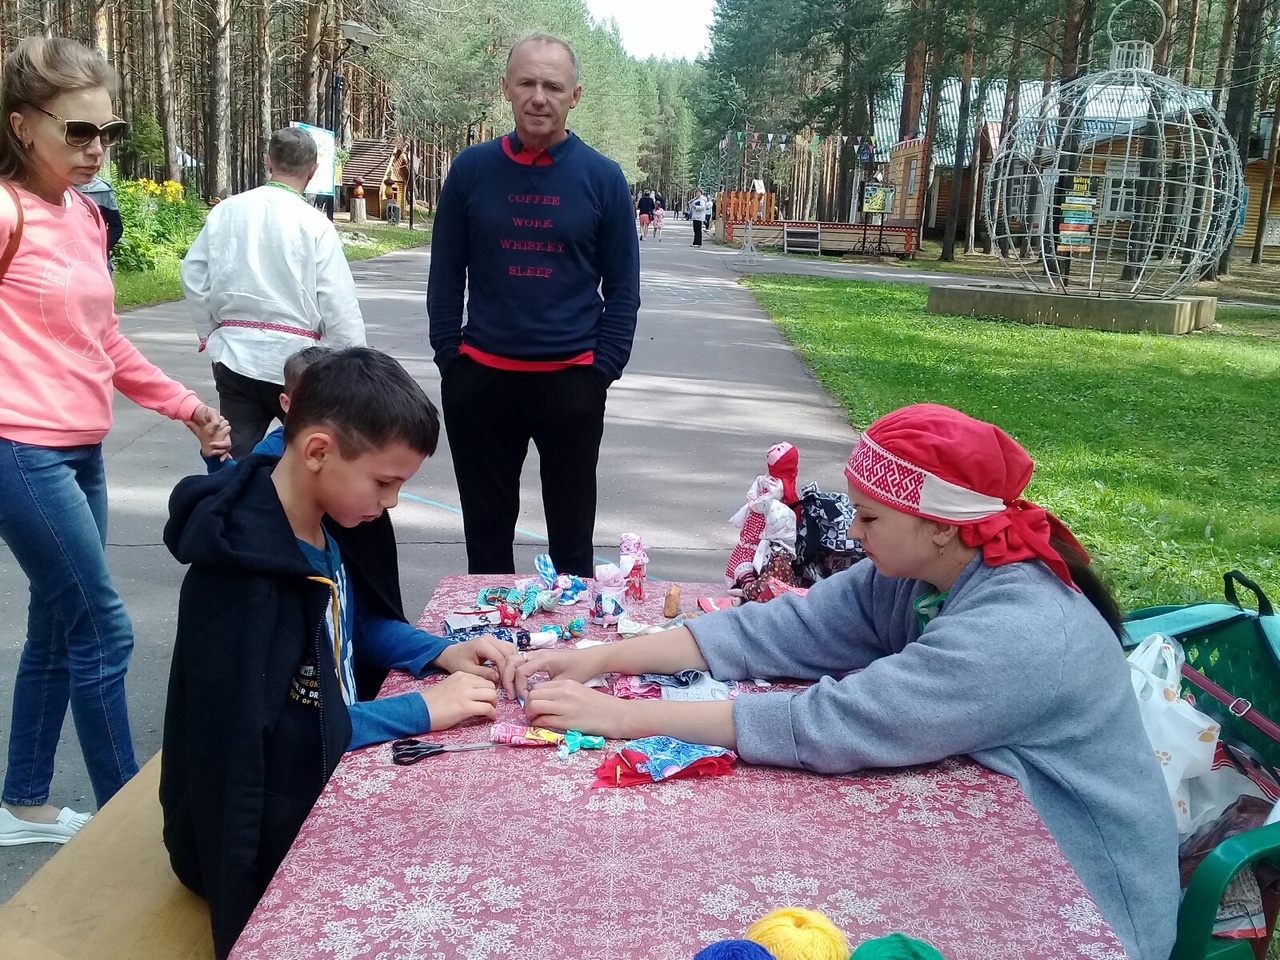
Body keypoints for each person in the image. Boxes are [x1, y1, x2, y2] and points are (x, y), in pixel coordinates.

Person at [504, 403, 1180, 960]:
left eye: (871, 517)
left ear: (943, 528)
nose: (852, 532)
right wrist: (604, 658)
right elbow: (784, 630)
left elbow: (832, 722)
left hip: (1088, 904)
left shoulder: (1022, 632)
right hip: (1008, 844)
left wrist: (624, 718)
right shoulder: (925, 572)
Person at [160, 347, 508, 959]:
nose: (392, 503)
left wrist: (438, 652)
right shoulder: (247, 579)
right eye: (385, 483)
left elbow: (347, 623)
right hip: (247, 828)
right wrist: (422, 712)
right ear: (318, 450)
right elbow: (275, 741)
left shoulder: (311, 523)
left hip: (316, 767)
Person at [0, 36, 226, 845]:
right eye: (78, 132)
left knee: (61, 623)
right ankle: (130, 827)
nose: (97, 149)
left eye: (110, 132)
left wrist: (186, 407)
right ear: (24, 126)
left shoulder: (87, 216)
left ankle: (23, 801)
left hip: (79, 450)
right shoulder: (8, 212)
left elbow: (106, 344)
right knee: (104, 626)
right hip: (18, 453)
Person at [427, 32, 640, 577]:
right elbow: (446, 274)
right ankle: (490, 652)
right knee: (487, 535)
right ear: (506, 89)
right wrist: (451, 358)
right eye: (526, 83)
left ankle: (573, 653)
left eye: (552, 85)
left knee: (573, 540)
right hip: (481, 379)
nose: (538, 96)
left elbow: (622, 288)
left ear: (575, 96)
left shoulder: (602, 179)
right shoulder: (471, 170)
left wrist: (602, 369)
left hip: (571, 381)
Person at [181, 126, 365, 461]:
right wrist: (351, 365)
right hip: (297, 367)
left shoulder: (226, 210)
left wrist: (211, 333)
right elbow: (338, 300)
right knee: (311, 458)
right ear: (313, 170)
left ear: (269, 162)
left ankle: (231, 508)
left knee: (235, 457)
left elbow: (193, 273)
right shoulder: (315, 223)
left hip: (235, 357)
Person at [196, 345, 328, 471]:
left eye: (340, 402)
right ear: (286, 403)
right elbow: (239, 482)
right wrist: (214, 456)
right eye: (310, 402)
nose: (325, 411)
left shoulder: (347, 443)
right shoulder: (275, 447)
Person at [73, 173, 121, 262]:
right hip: (68, 253)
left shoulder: (103, 190)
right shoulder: (57, 189)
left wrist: (101, 247)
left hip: (98, 255)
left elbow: (116, 227)